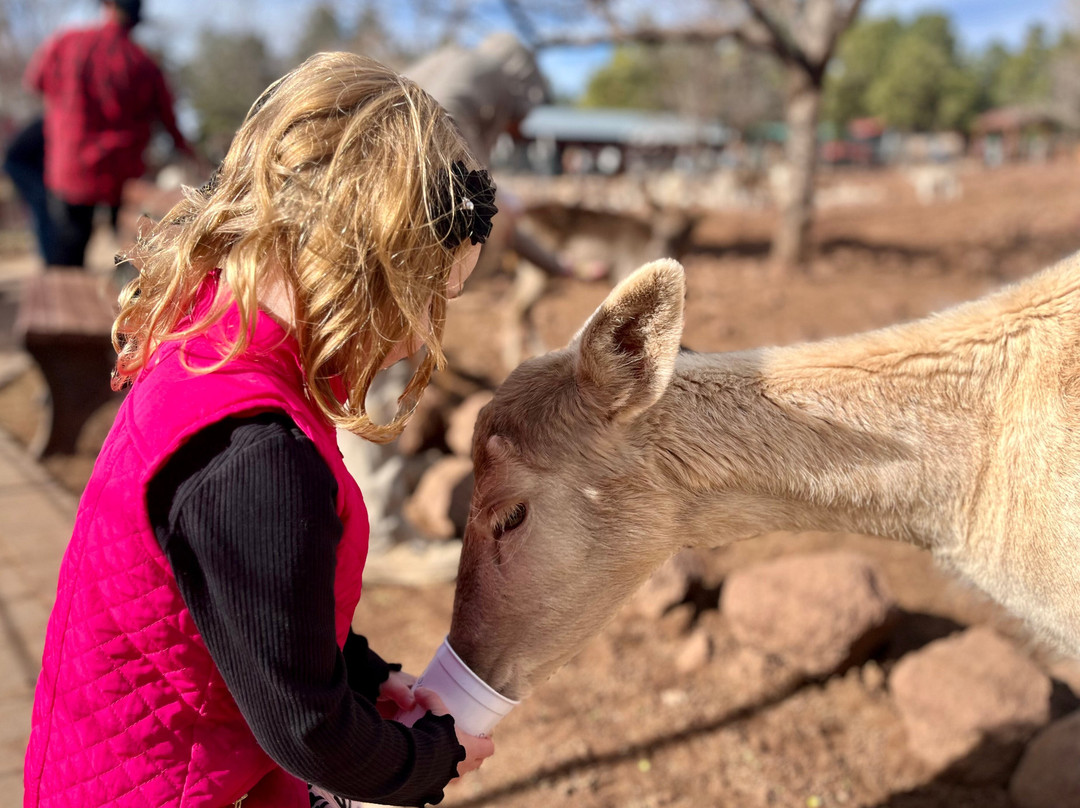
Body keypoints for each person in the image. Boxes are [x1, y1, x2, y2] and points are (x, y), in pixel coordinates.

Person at [23, 52, 496, 807]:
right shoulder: (257, 458)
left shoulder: (210, 352)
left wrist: (368, 678)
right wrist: (432, 757)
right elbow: (308, 731)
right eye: (425, 303)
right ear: (364, 270)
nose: (414, 342)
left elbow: (253, 610)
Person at [405, 32, 608, 282]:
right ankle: (450, 289)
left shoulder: (445, 62)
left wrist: (559, 266)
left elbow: (495, 214)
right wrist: (490, 195)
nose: (522, 126)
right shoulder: (490, 73)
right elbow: (441, 116)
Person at [24, 0, 194, 267]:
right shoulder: (144, 63)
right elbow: (170, 121)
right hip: (122, 175)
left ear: (108, 6)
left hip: (73, 170)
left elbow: (35, 82)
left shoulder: (68, 42)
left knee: (67, 254)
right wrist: (190, 153)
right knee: (129, 250)